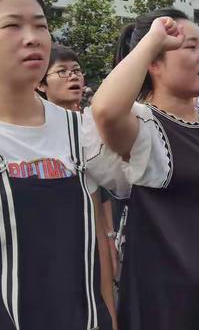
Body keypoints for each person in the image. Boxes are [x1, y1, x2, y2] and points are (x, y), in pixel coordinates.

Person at [90, 8, 199, 330]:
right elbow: (105, 110)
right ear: (153, 63)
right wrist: (152, 39)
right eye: (189, 47)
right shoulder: (144, 127)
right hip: (160, 303)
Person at [0, 0, 113, 330]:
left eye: (41, 25)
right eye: (12, 25)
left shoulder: (80, 130)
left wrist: (109, 315)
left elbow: (98, 242)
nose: (32, 37)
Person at [37, 43, 118, 320]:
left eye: (76, 70)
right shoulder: (30, 136)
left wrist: (108, 237)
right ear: (40, 84)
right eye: (62, 71)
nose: (73, 76)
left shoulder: (87, 126)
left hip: (88, 243)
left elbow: (98, 194)